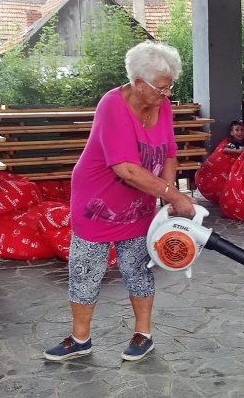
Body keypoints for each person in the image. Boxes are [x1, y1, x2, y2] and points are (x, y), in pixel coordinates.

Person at [43, 41, 197, 362]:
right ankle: (80, 338)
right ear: (138, 82)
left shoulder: (162, 104)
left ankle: (144, 335)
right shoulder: (112, 105)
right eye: (161, 88)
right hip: (97, 203)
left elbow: (169, 152)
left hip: (139, 204)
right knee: (87, 271)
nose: (166, 94)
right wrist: (175, 196)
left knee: (137, 269)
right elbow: (126, 168)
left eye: (170, 87)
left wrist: (166, 193)